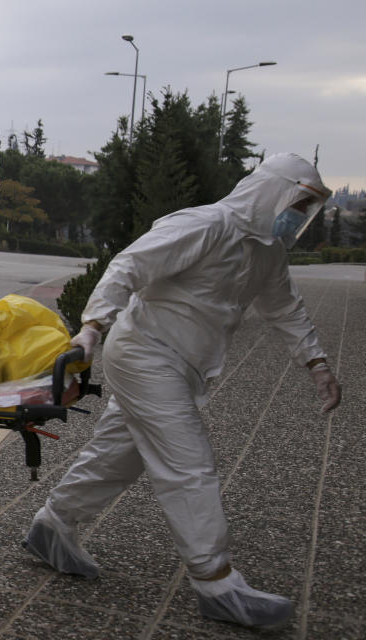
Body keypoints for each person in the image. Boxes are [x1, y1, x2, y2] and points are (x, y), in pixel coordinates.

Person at [23, 153, 342, 629]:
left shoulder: (268, 250)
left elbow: (284, 307)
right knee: (188, 462)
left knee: (120, 455)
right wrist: (92, 326)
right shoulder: (206, 225)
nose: (298, 215)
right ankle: (216, 581)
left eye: (307, 207)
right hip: (145, 354)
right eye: (297, 202)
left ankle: (52, 525)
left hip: (184, 363)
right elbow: (129, 266)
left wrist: (316, 362)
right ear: (271, 191)